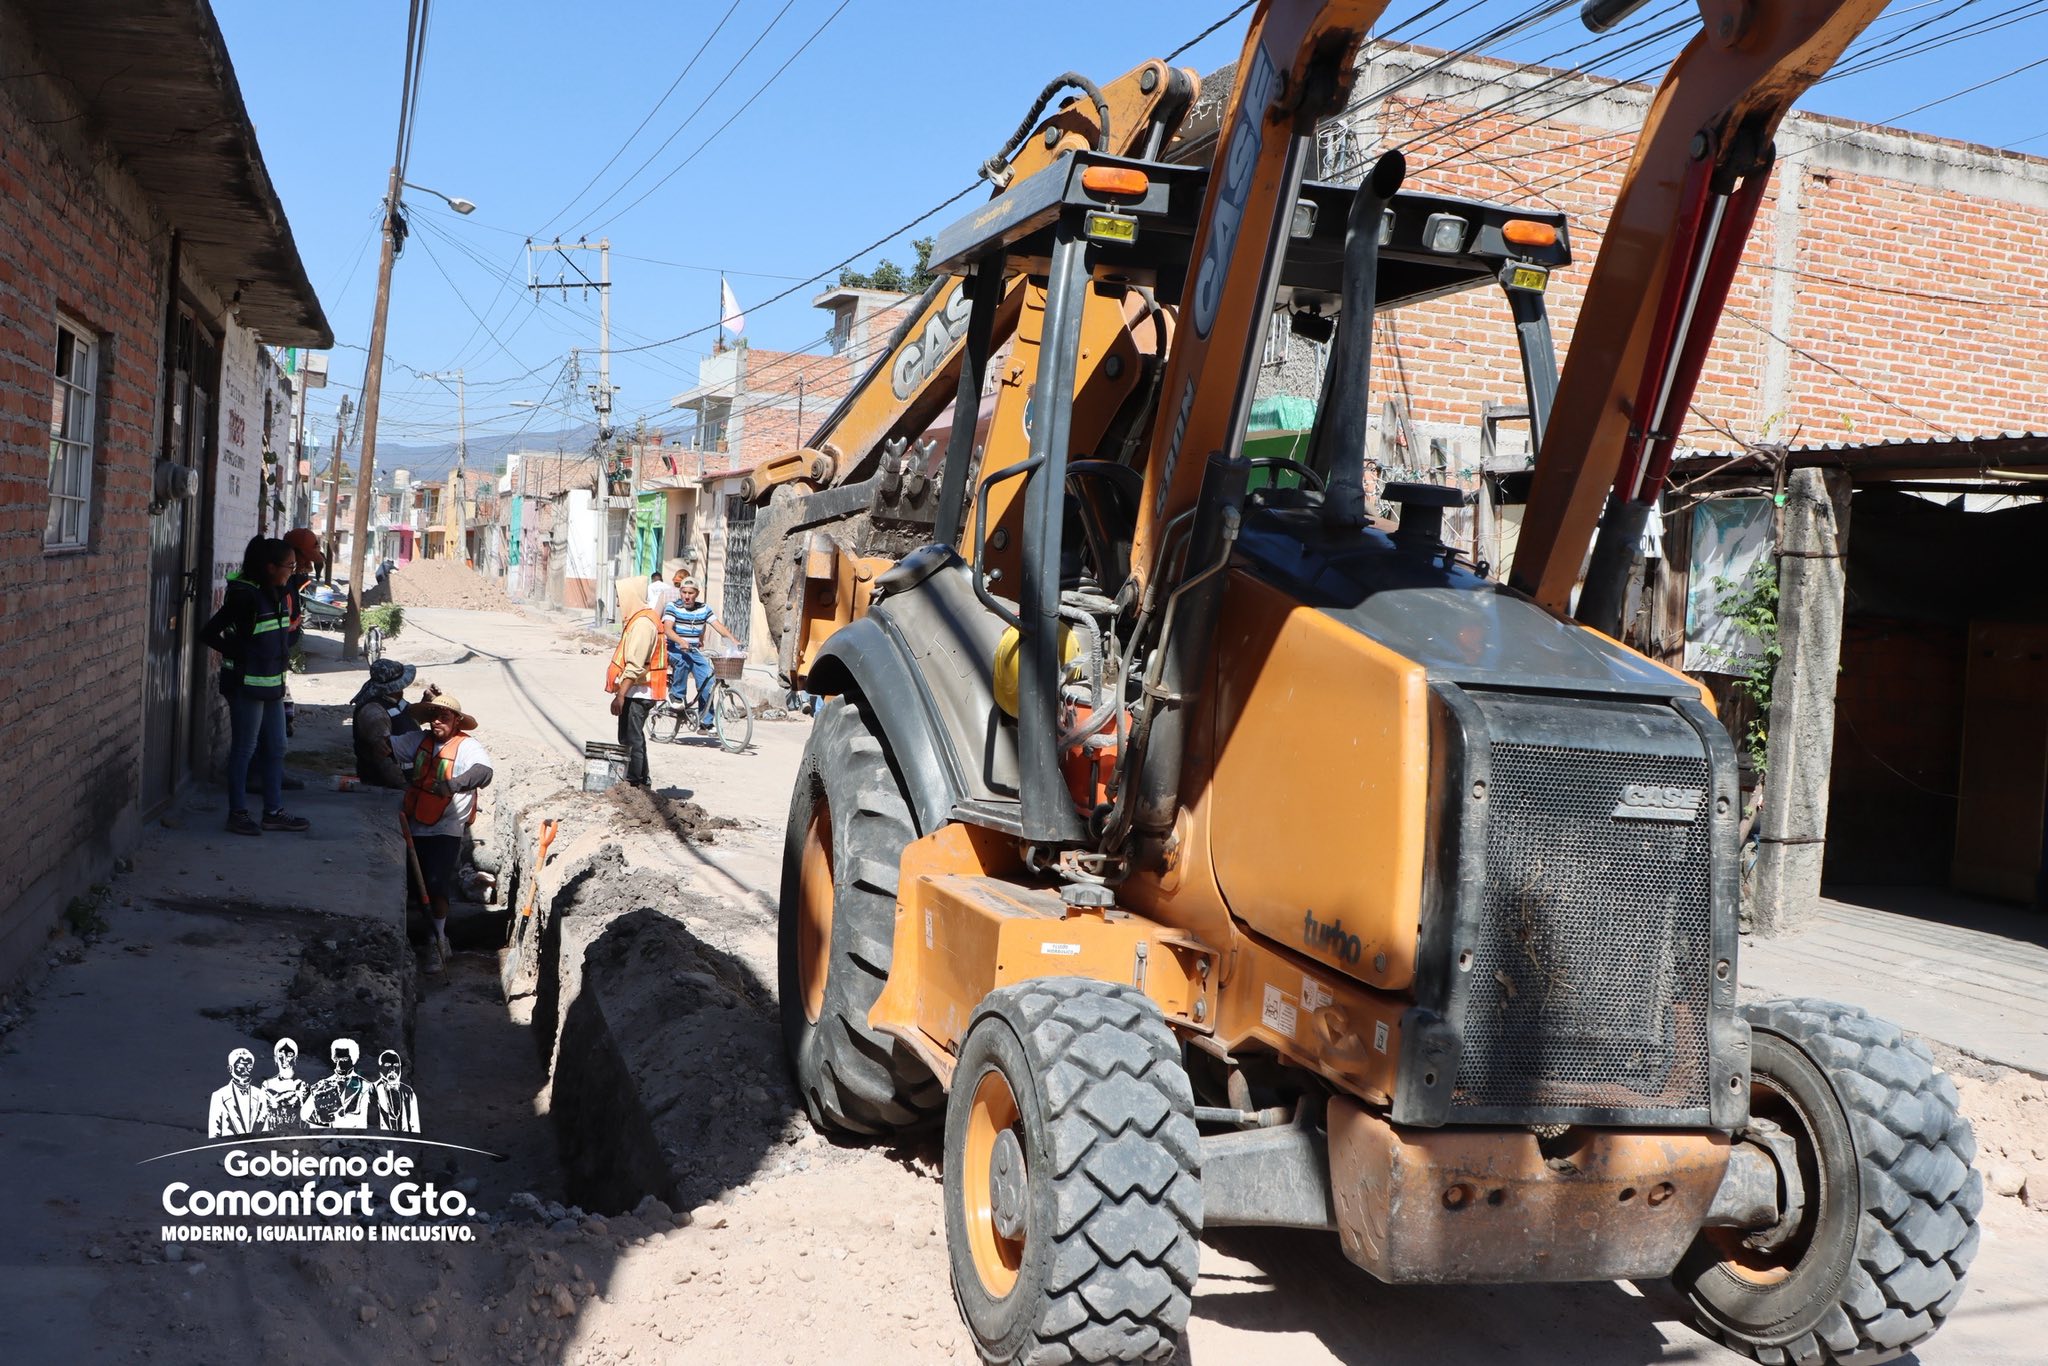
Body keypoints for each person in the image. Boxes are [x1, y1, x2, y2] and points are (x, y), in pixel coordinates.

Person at [201, 537, 310, 837]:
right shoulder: (244, 597)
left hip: (272, 685)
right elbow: (209, 633)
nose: (292, 571)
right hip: (246, 686)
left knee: (277, 747)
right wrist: (242, 654)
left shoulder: (277, 592)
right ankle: (237, 814)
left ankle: (273, 813)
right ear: (270, 567)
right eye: (289, 566)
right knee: (245, 749)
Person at [390, 692, 494, 972]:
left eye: (444, 716)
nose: (438, 722)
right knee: (411, 885)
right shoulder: (417, 741)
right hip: (414, 823)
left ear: (456, 721)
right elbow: (383, 745)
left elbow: (484, 772)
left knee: (436, 886)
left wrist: (452, 784)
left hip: (446, 828)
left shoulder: (467, 747)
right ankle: (404, 943)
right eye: (433, 716)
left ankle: (438, 941)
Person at [606, 578, 672, 787]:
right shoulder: (640, 620)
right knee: (631, 737)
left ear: (629, 597)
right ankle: (641, 780)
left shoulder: (643, 625)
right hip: (637, 690)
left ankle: (635, 782)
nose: (618, 604)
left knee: (631, 738)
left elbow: (635, 666)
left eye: (619, 598)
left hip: (639, 691)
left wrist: (620, 695)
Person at [662, 574, 740, 728]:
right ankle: (676, 696)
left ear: (696, 593)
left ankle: (706, 721)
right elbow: (668, 630)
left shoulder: (704, 609)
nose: (686, 596)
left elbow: (718, 626)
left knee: (708, 680)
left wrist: (733, 640)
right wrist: (681, 641)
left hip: (693, 651)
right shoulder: (673, 607)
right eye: (684, 592)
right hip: (673, 648)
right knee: (682, 662)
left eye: (690, 593)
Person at [350, 660, 427, 788]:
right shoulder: (374, 713)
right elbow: (383, 756)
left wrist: (426, 703)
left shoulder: (395, 701)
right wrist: (403, 786)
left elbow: (407, 722)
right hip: (384, 789)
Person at [301, 1038, 370, 1129]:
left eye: (344, 1059)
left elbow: (365, 1122)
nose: (339, 1065)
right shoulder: (322, 1085)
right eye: (337, 1059)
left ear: (353, 1059)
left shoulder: (365, 1086)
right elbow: (304, 1114)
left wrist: (334, 1119)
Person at [207, 1047, 265, 1136]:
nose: (246, 1071)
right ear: (230, 1069)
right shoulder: (219, 1096)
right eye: (240, 1067)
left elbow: (265, 1129)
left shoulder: (260, 1095)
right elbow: (214, 1131)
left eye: (249, 1067)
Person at [258, 1037, 309, 1131]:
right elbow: (262, 1116)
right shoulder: (267, 1084)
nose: (285, 1059)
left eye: (289, 1054)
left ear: (295, 1058)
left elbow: (307, 1118)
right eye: (281, 1055)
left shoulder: (302, 1085)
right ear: (275, 1059)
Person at [370, 1049, 422, 1133]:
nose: (392, 1070)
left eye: (396, 1065)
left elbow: (415, 1125)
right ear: (380, 1068)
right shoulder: (371, 1089)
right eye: (387, 1065)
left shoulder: (408, 1092)